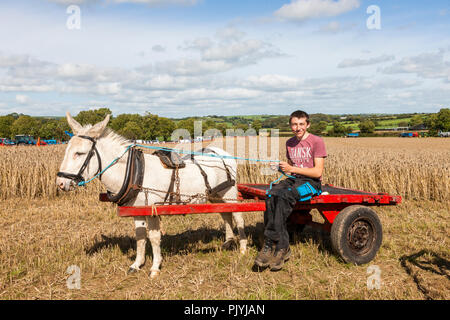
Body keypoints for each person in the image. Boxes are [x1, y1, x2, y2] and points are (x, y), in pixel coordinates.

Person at [254, 110, 327, 271]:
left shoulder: (317, 141)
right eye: (294, 124)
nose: (298, 128)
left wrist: (292, 168)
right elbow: (291, 172)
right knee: (272, 194)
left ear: (307, 124)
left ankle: (274, 244)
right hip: (294, 179)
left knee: (285, 196)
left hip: (311, 183)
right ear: (290, 126)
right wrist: (280, 168)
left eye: (301, 124)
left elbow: (317, 172)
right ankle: (281, 245)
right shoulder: (289, 143)